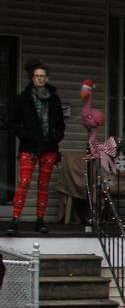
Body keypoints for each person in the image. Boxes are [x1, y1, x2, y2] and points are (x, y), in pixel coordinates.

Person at [7, 59, 64, 236]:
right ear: (32, 78)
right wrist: (26, 135)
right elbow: (13, 122)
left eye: (42, 76)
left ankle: (40, 221)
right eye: (36, 76)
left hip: (49, 147)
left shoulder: (54, 99)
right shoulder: (22, 98)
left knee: (43, 184)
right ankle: (14, 221)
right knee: (23, 183)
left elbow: (60, 124)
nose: (39, 79)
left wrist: (55, 136)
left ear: (47, 78)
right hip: (29, 146)